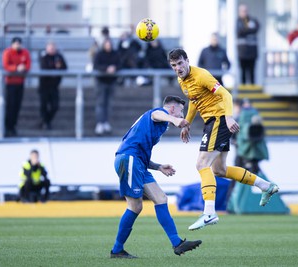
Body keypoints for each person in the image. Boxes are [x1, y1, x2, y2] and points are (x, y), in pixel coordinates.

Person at [167, 48, 278, 231]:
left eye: (180, 63)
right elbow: (195, 100)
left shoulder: (202, 75)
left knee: (202, 164)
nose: (178, 68)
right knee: (219, 170)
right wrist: (187, 122)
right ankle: (265, 186)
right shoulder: (182, 80)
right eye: (174, 65)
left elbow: (226, 94)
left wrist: (228, 116)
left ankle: (209, 212)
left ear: (187, 60)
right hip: (212, 121)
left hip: (219, 119)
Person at [111, 95, 202, 258]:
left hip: (137, 162)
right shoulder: (158, 114)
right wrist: (174, 121)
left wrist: (158, 167)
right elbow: (156, 114)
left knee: (161, 198)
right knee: (135, 206)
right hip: (129, 159)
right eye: (181, 111)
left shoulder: (158, 125)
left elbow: (141, 153)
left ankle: (177, 243)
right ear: (172, 109)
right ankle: (117, 250)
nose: (182, 115)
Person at [2, 36, 31, 137]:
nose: (17, 45)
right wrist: (16, 68)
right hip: (10, 83)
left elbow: (28, 64)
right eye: (16, 43)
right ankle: (7, 126)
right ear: (12, 44)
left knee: (17, 106)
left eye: (19, 43)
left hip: (20, 82)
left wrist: (23, 68)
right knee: (10, 105)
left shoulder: (25, 52)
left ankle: (13, 126)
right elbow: (6, 65)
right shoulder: (7, 52)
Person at [93, 39, 121, 135]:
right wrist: (106, 69)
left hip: (111, 82)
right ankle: (100, 123)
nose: (108, 46)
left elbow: (120, 64)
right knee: (101, 104)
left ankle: (106, 123)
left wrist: (114, 68)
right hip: (101, 82)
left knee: (109, 104)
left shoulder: (115, 54)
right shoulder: (99, 54)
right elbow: (96, 66)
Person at [38, 41, 68, 130]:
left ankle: (46, 121)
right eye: (50, 48)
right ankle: (46, 122)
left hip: (54, 86)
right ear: (47, 48)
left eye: (53, 48)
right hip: (44, 86)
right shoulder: (43, 56)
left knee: (55, 106)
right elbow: (44, 67)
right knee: (44, 105)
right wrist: (55, 68)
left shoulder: (58, 56)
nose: (51, 50)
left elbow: (65, 67)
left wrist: (58, 68)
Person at [236, 4, 260, 84]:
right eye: (242, 11)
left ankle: (253, 91)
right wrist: (249, 29)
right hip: (242, 53)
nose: (244, 12)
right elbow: (240, 32)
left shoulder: (253, 20)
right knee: (243, 73)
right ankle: (243, 92)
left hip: (252, 52)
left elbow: (257, 28)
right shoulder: (238, 21)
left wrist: (246, 29)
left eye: (245, 11)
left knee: (252, 72)